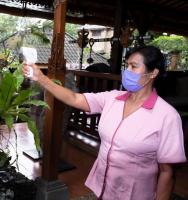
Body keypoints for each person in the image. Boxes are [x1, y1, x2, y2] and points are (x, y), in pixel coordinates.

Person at [22, 46, 186, 200]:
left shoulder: (166, 116)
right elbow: (74, 98)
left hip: (134, 193)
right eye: (126, 65)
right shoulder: (113, 98)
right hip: (103, 187)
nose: (126, 71)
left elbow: (167, 172)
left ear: (153, 73)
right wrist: (41, 78)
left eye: (133, 66)